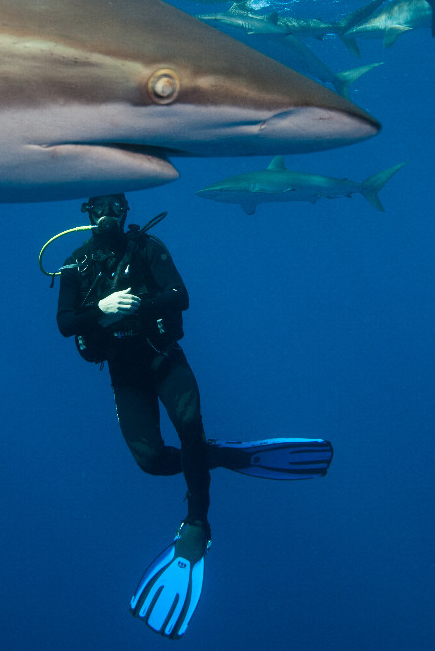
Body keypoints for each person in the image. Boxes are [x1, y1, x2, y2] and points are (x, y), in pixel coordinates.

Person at [54, 193, 334, 639]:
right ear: (86, 212)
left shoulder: (148, 247)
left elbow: (180, 296)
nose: (108, 214)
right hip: (125, 374)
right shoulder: (74, 263)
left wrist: (140, 304)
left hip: (164, 357)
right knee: (149, 461)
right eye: (99, 207)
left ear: (126, 211)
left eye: (116, 206)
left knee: (188, 429)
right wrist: (101, 310)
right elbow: (66, 323)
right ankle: (218, 455)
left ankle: (197, 524)